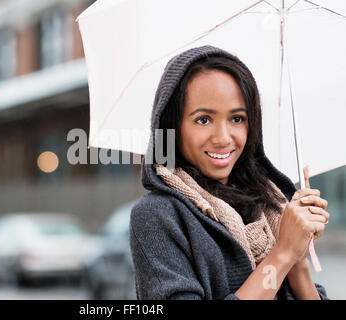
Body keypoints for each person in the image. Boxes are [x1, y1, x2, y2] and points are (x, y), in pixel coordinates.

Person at [129, 45, 330, 300]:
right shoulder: (156, 217)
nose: (223, 138)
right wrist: (283, 254)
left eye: (237, 119)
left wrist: (299, 264)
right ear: (172, 126)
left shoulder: (274, 207)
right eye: (203, 119)